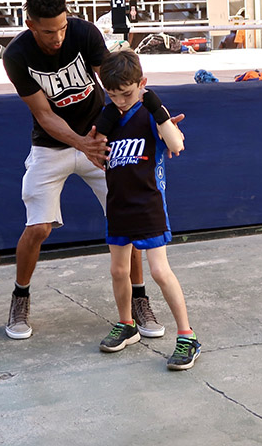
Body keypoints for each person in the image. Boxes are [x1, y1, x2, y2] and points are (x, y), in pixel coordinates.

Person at [1, 0, 164, 341]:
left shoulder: (84, 33)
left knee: (128, 220)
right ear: (30, 25)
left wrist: (156, 118)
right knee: (39, 227)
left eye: (61, 27)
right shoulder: (17, 55)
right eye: (48, 31)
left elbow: (119, 83)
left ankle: (138, 300)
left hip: (99, 136)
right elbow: (44, 115)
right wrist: (81, 144)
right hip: (52, 144)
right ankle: (20, 296)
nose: (57, 37)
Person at [94, 49, 200, 370]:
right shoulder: (110, 117)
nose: (121, 101)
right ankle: (127, 324)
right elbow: (97, 154)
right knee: (117, 270)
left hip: (149, 206)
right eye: (112, 95)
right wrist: (100, 132)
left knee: (158, 271)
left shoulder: (149, 115)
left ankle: (187, 335)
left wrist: (158, 109)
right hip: (118, 207)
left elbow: (177, 145)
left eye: (126, 93)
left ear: (142, 84)